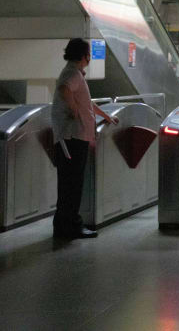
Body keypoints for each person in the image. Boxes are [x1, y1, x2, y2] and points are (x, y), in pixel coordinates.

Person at [51, 38, 118, 239]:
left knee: (69, 183)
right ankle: (71, 227)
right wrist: (73, 111)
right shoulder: (72, 73)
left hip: (74, 137)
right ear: (83, 56)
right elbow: (65, 89)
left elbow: (86, 103)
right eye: (88, 54)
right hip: (72, 137)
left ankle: (64, 226)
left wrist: (106, 117)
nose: (89, 58)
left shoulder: (74, 72)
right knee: (72, 184)